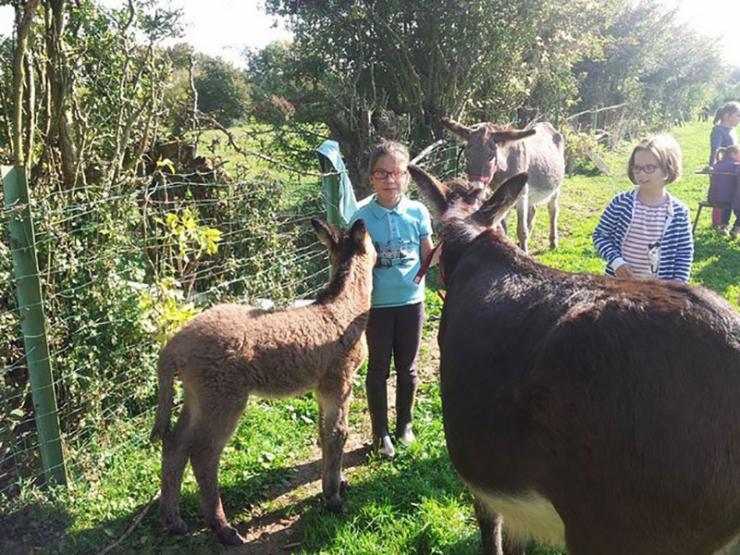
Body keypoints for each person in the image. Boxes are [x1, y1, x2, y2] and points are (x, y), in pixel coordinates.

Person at [349, 140, 433, 459]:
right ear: (371, 178)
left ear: (407, 176)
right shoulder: (361, 217)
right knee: (378, 369)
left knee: (408, 369)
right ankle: (380, 431)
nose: (390, 179)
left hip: (412, 302)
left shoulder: (418, 212)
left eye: (397, 172)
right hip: (378, 306)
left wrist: (444, 256)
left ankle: (405, 426)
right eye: (382, 173)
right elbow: (354, 264)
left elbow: (427, 256)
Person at [593, 134, 694, 283]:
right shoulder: (621, 203)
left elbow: (684, 254)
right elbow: (601, 235)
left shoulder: (679, 212)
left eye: (650, 168)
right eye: (637, 168)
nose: (642, 174)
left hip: (658, 293)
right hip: (618, 286)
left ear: (667, 170)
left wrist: (678, 287)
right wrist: (616, 262)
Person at [708, 101, 740, 232]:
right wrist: (713, 169)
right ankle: (721, 224)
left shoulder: (732, 131)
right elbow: (716, 150)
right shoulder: (718, 131)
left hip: (735, 169)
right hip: (725, 170)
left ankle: (734, 226)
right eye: (737, 115)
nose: (739, 119)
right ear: (727, 115)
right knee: (724, 195)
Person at [708, 145, 740, 238]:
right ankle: (736, 228)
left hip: (714, 198)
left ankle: (724, 225)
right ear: (734, 154)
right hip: (731, 199)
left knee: (727, 203)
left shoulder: (718, 165)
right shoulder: (735, 166)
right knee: (734, 201)